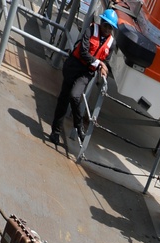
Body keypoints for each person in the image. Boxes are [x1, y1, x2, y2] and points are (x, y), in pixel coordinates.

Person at [50, 8, 117, 148]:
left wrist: (103, 66)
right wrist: (99, 63)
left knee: (75, 96)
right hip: (74, 65)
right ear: (102, 22)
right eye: (105, 25)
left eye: (110, 27)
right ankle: (55, 132)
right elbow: (83, 52)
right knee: (63, 99)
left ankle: (79, 126)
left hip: (86, 72)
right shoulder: (91, 30)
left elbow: (107, 61)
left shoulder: (111, 44)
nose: (107, 29)